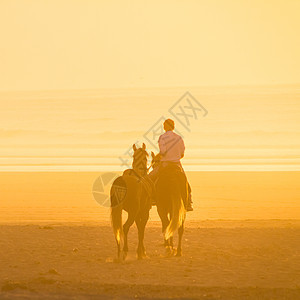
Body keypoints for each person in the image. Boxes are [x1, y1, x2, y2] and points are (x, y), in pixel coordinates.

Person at [151, 119, 193, 211]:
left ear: (167, 126)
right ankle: (188, 202)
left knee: (150, 178)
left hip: (165, 164)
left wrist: (158, 156)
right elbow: (182, 154)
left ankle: (152, 198)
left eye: (164, 125)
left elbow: (163, 151)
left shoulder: (162, 137)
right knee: (185, 182)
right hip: (177, 164)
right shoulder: (179, 138)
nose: (163, 127)